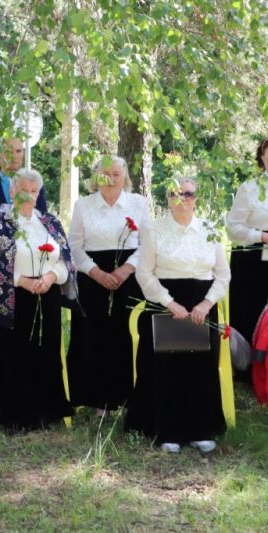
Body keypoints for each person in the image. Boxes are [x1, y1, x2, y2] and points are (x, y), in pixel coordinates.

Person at [126, 177, 230, 453]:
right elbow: (144, 273)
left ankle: (200, 429)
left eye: (188, 193)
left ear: (196, 197)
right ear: (168, 198)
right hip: (167, 306)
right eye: (176, 193)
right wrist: (171, 304)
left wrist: (205, 304)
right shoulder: (153, 229)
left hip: (201, 308)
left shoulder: (209, 229)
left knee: (200, 369)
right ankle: (167, 431)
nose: (182, 198)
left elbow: (223, 274)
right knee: (168, 371)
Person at [0, 169, 74, 432]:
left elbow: (65, 260)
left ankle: (48, 411)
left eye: (34, 191)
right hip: (13, 299)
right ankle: (17, 416)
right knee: (16, 357)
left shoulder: (49, 221)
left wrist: (51, 277)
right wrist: (22, 280)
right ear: (13, 192)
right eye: (24, 191)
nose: (29, 196)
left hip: (46, 296)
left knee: (47, 351)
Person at [66, 156, 150, 415]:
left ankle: (126, 397)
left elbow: (148, 244)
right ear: (96, 178)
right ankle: (97, 399)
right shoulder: (83, 205)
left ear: (125, 176)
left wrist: (126, 269)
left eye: (116, 174)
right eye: (105, 174)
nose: (111, 179)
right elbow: (74, 247)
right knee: (94, 335)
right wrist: (97, 273)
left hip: (130, 277)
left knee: (123, 334)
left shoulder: (138, 203)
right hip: (93, 278)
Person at [226, 138, 268, 379]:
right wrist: (261, 236)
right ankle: (250, 371)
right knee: (253, 311)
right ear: (261, 157)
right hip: (253, 258)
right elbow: (233, 228)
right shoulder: (249, 188)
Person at [0, 138, 47, 238]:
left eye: (18, 151)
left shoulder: (36, 187)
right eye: (8, 151)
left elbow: (44, 223)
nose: (14, 156)